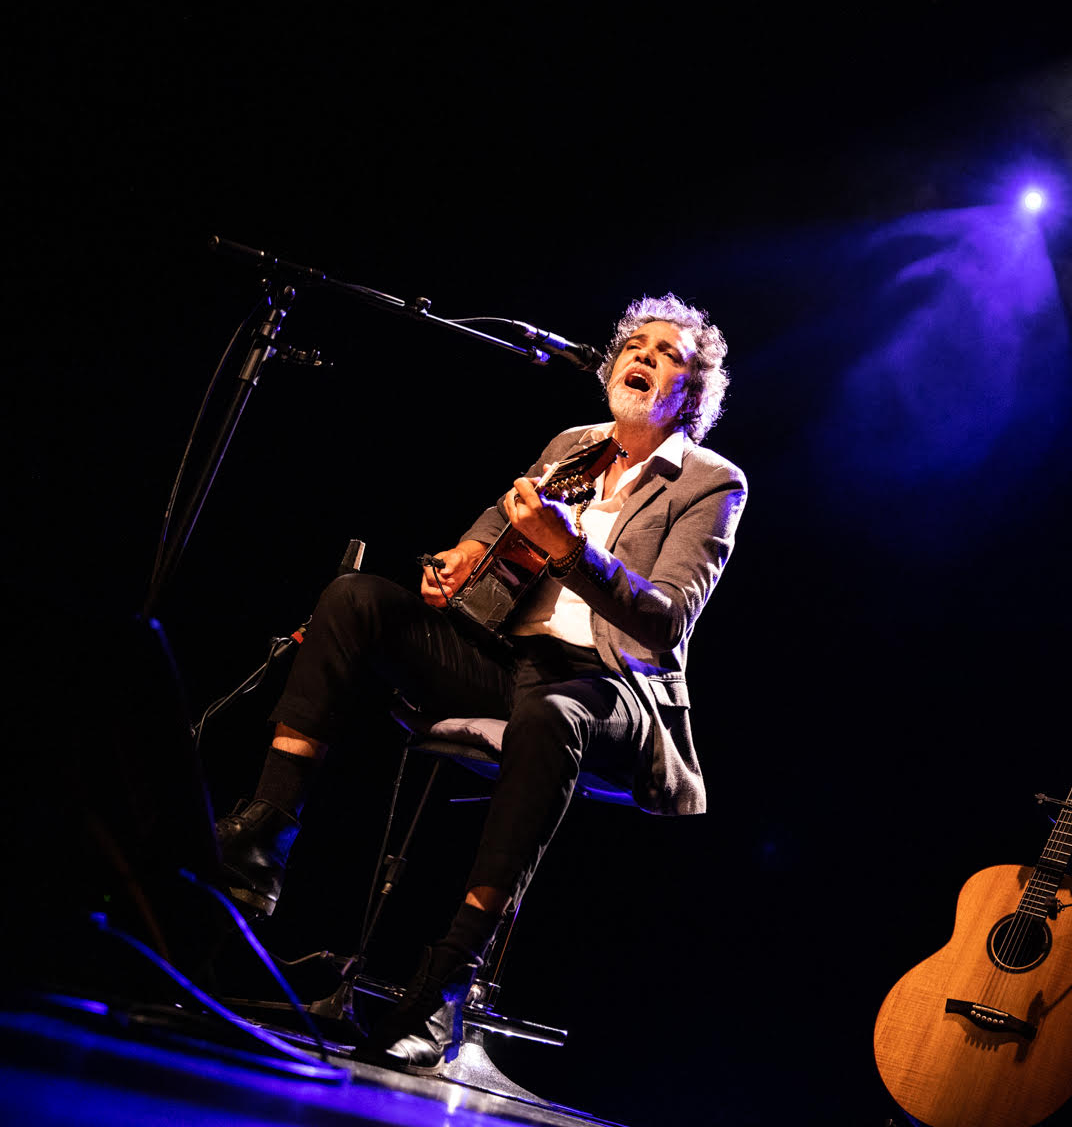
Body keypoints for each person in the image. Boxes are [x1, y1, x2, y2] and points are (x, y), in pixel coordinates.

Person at [213, 294, 747, 1070]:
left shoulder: (711, 482)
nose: (643, 356)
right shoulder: (574, 445)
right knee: (355, 598)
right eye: (635, 343)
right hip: (511, 664)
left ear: (691, 394)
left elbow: (665, 622)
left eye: (668, 354)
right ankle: (264, 832)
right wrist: (458, 560)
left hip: (612, 689)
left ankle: (448, 976)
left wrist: (572, 553)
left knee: (552, 717)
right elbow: (496, 526)